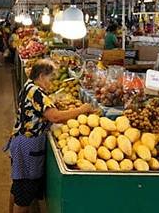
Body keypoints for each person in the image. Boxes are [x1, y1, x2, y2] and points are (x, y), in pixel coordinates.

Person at [6, 60, 93, 212]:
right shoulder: (38, 93)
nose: (52, 82)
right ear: (41, 76)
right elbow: (55, 117)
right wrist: (82, 109)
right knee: (25, 194)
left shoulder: (29, 86)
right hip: (28, 146)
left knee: (18, 186)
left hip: (19, 142)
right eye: (51, 78)